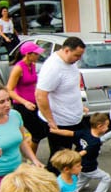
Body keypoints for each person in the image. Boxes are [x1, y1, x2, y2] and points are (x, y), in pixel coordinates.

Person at [36, 36, 88, 168]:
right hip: (60, 121)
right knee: (60, 157)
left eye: (81, 55)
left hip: (74, 117)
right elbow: (40, 95)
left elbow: (70, 88)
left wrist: (79, 106)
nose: (79, 59)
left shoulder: (70, 62)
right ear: (66, 50)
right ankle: (52, 183)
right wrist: (50, 120)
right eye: (77, 55)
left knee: (87, 144)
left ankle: (73, 175)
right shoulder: (53, 68)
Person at [51, 112, 111, 192]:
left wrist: (56, 131)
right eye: (106, 126)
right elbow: (83, 153)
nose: (108, 128)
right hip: (89, 166)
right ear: (100, 126)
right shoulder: (95, 142)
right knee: (106, 178)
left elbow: (70, 133)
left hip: (79, 165)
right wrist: (70, 158)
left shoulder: (85, 132)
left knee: (82, 179)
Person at [6, 41, 46, 155]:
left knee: (43, 131)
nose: (38, 56)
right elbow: (9, 89)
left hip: (34, 103)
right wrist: (25, 102)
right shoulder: (18, 68)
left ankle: (27, 150)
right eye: (36, 54)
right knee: (37, 133)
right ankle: (30, 158)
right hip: (22, 105)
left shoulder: (32, 65)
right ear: (28, 54)